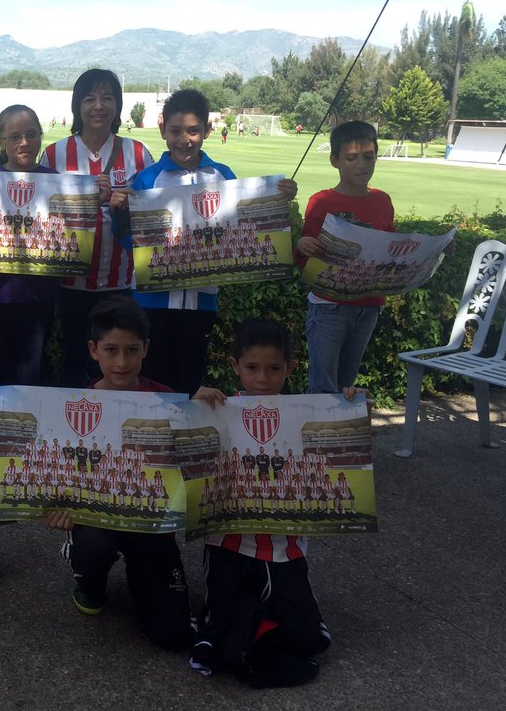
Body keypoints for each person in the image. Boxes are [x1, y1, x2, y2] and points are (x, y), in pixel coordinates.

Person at [111, 89, 297, 397]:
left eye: (193, 130)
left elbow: (243, 226)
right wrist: (119, 211)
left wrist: (279, 198)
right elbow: (130, 242)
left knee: (190, 380)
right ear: (162, 130)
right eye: (175, 131)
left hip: (202, 301)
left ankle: (186, 442)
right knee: (152, 378)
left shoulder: (222, 175)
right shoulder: (147, 179)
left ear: (207, 131)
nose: (184, 139)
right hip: (151, 301)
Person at [189, 319, 337, 687]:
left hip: (284, 545)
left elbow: (336, 445)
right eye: (252, 368)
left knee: (307, 638)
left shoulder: (305, 413)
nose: (263, 378)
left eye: (274, 368)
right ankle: (257, 629)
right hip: (229, 543)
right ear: (235, 366)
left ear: (289, 368)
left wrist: (347, 404)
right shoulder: (219, 409)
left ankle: (260, 628)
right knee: (216, 633)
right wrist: (193, 405)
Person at [45, 295, 193, 651]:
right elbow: (55, 471)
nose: (122, 362)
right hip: (96, 520)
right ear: (93, 350)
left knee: (172, 634)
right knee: (93, 545)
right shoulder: (71, 405)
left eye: (132, 350)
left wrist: (206, 412)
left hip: (152, 525)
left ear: (146, 349)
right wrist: (55, 506)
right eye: (111, 350)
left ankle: (143, 575)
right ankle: (89, 577)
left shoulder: (168, 400)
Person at [39, 70, 152, 387]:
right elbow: (41, 212)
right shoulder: (54, 154)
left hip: (121, 280)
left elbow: (152, 218)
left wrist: (126, 203)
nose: (98, 106)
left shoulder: (138, 153)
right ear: (78, 106)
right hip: (70, 282)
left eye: (107, 98)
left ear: (117, 104)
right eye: (89, 98)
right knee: (75, 357)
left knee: (119, 365)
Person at [294, 121, 393, 394]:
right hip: (329, 305)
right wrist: (302, 246)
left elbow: (391, 247)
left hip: (368, 305)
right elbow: (305, 258)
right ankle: (320, 436)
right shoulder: (322, 201)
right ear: (335, 160)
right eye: (351, 158)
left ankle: (343, 435)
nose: (362, 165)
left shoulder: (383, 201)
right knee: (323, 386)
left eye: (369, 157)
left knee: (347, 385)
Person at [0, 104, 59, 398]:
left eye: (31, 134)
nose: (24, 142)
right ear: (1, 142)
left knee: (27, 384)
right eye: (15, 136)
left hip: (36, 298)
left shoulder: (57, 181)